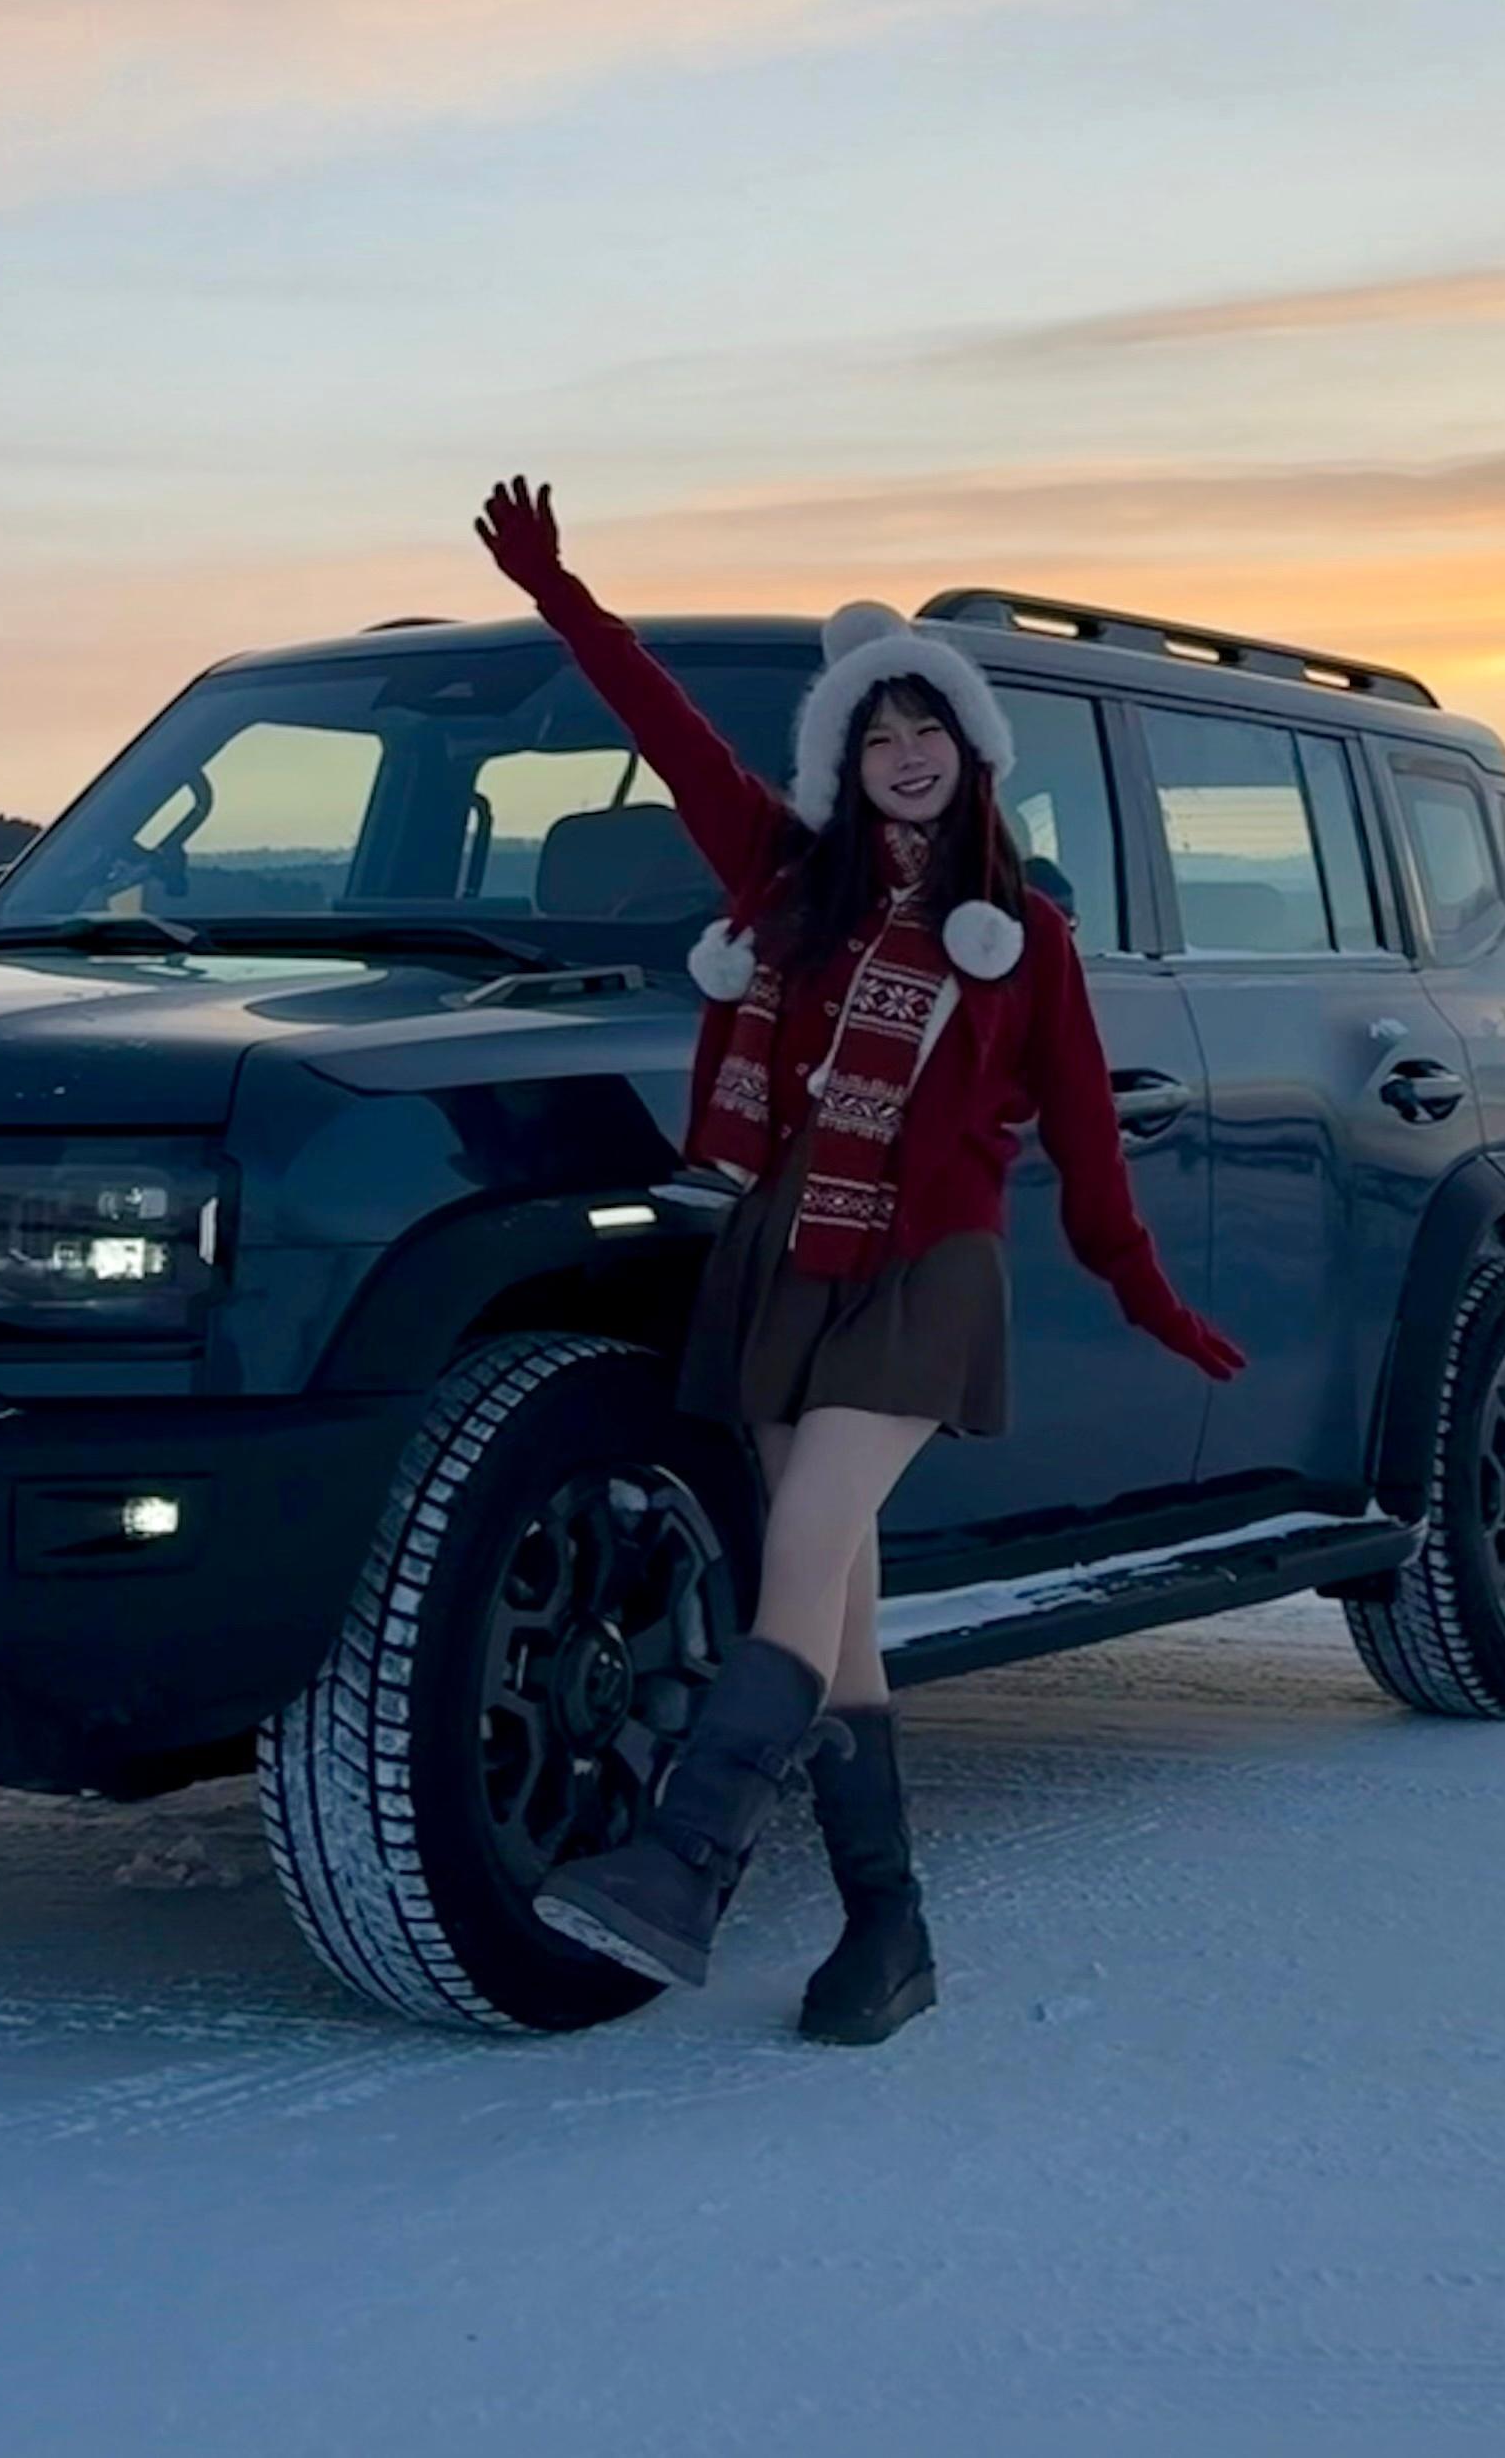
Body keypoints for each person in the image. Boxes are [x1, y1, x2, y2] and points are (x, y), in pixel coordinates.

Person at [473, 477, 1246, 2043]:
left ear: (970, 753)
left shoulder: (1019, 938)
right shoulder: (782, 881)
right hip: (786, 1252)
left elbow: (1086, 1143)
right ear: (844, 759)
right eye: (877, 732)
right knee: (833, 1603)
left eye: (927, 728)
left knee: (806, 1542)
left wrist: (1149, 1297)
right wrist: (561, 595)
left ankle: (686, 1860)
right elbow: (669, 732)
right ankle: (885, 1928)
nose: (905, 752)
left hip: (924, 1265)